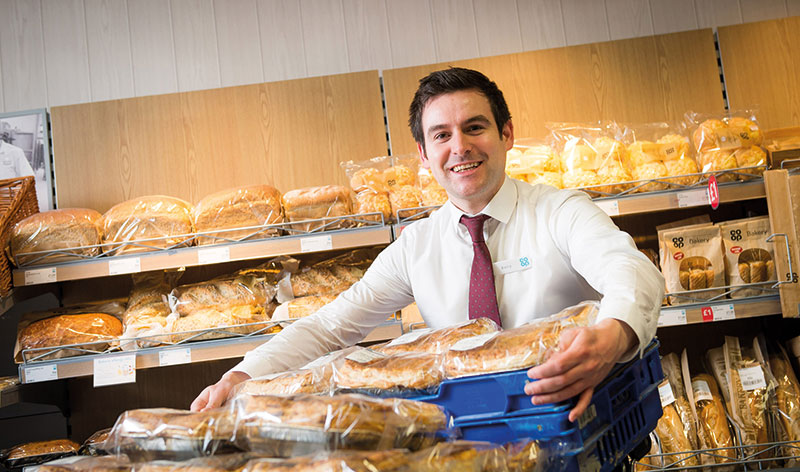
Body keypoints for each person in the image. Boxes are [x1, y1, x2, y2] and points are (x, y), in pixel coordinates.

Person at [192, 68, 664, 421]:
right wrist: (242, 374)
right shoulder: (418, 245)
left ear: (506, 134)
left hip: (571, 411)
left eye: (475, 128)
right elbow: (330, 326)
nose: (459, 147)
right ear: (424, 154)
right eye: (442, 135)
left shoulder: (558, 211)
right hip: (475, 431)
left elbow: (629, 268)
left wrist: (614, 335)